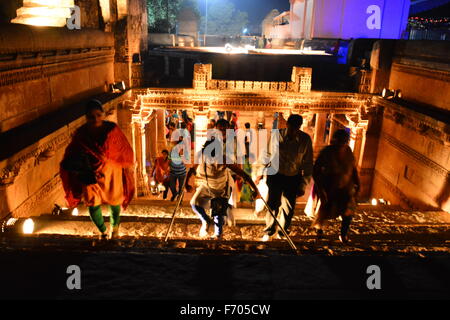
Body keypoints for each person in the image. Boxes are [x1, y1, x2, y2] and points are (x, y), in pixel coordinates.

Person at [60, 100, 135, 239]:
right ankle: (102, 231)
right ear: (86, 117)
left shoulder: (112, 130)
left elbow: (124, 149)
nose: (95, 119)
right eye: (91, 116)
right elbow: (72, 152)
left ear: (103, 114)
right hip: (89, 173)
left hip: (111, 171)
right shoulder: (81, 134)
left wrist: (124, 163)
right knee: (92, 204)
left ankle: (115, 229)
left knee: (114, 201)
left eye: (98, 115)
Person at [186, 119, 259, 239]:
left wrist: (254, 188)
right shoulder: (206, 151)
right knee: (194, 203)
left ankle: (218, 234)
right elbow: (193, 168)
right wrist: (187, 182)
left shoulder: (229, 149)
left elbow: (241, 167)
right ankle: (206, 221)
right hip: (207, 182)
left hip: (223, 181)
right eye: (220, 129)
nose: (222, 131)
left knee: (218, 210)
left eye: (224, 129)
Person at [256, 114, 313, 241]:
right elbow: (266, 154)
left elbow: (307, 163)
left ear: (300, 127)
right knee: (272, 205)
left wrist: (303, 184)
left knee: (288, 207)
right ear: (287, 124)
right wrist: (259, 174)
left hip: (293, 177)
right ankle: (270, 231)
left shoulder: (305, 140)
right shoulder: (277, 135)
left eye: (296, 127)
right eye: (292, 127)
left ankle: (283, 232)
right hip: (276, 174)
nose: (293, 130)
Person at [311, 129, 360, 243]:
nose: (342, 144)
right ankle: (320, 232)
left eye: (344, 141)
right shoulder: (327, 152)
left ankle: (343, 234)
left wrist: (358, 183)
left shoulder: (348, 151)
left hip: (346, 187)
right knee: (326, 211)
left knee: (347, 213)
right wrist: (320, 189)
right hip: (330, 186)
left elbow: (353, 169)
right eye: (340, 141)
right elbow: (316, 170)